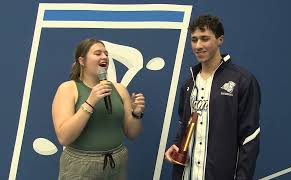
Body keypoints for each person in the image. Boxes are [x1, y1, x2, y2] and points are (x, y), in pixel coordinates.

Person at [165, 15, 261, 180]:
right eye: (194, 40)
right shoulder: (189, 84)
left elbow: (250, 138)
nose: (198, 45)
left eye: (205, 39)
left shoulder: (242, 80)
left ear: (220, 40)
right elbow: (184, 124)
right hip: (186, 174)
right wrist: (176, 144)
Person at [52, 38, 145, 180]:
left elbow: (132, 134)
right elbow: (64, 137)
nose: (104, 57)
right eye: (98, 53)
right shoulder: (68, 88)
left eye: (106, 54)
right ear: (82, 61)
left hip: (116, 161)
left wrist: (136, 114)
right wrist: (90, 102)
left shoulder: (119, 90)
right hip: (81, 165)